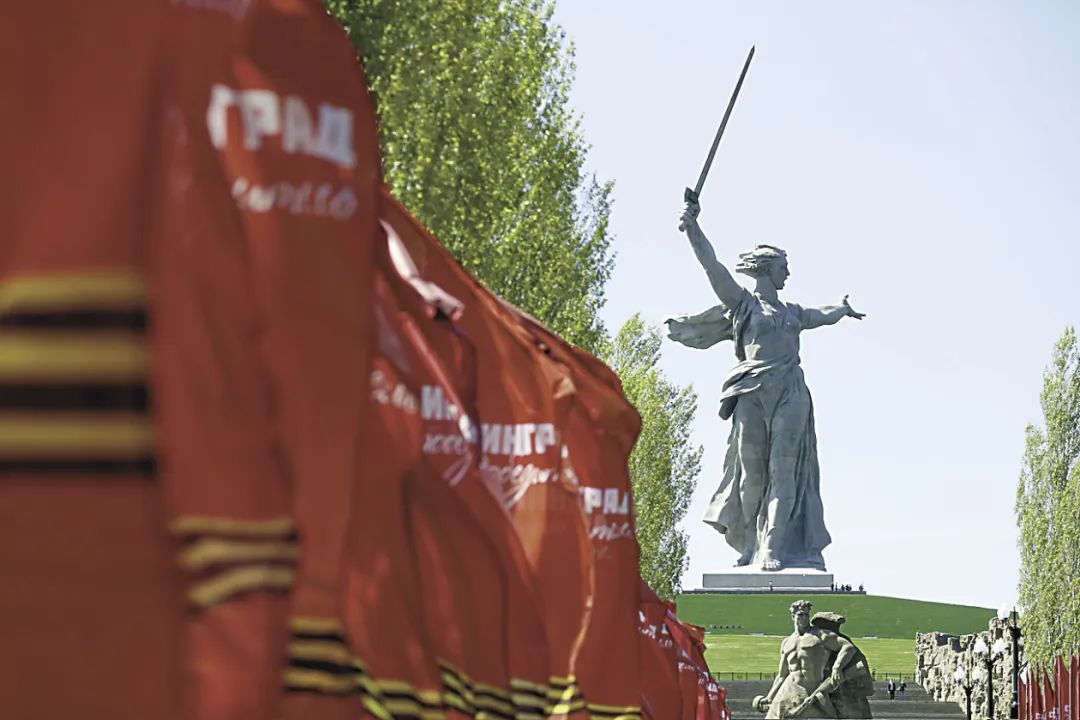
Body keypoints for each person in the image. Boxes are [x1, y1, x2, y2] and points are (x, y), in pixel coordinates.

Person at [667, 198, 865, 572]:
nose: (787, 273)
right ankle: (750, 542)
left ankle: (772, 546)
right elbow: (713, 268)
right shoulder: (743, 304)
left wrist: (841, 309)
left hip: (790, 392)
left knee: (784, 471)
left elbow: (821, 315)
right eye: (783, 267)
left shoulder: (793, 312)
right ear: (767, 270)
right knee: (752, 477)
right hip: (750, 392)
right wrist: (693, 228)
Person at [752, 600, 857, 718]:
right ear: (793, 617)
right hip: (789, 690)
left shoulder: (820, 636)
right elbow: (782, 676)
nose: (804, 618)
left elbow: (848, 647)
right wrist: (770, 697)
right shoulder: (787, 642)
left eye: (806, 615)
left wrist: (837, 667)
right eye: (800, 615)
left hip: (813, 691)